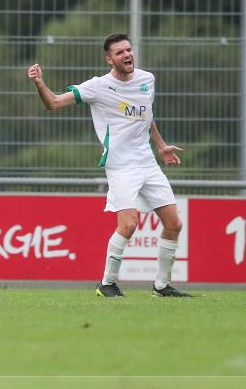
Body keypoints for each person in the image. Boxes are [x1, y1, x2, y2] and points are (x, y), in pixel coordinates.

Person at [27, 33, 191, 298]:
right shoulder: (97, 86)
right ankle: (107, 284)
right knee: (128, 226)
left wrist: (160, 146)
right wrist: (39, 83)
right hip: (120, 165)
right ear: (109, 59)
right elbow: (54, 103)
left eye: (128, 50)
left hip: (147, 163)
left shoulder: (146, 79)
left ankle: (161, 286)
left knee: (174, 223)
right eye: (119, 53)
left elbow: (145, 115)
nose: (127, 55)